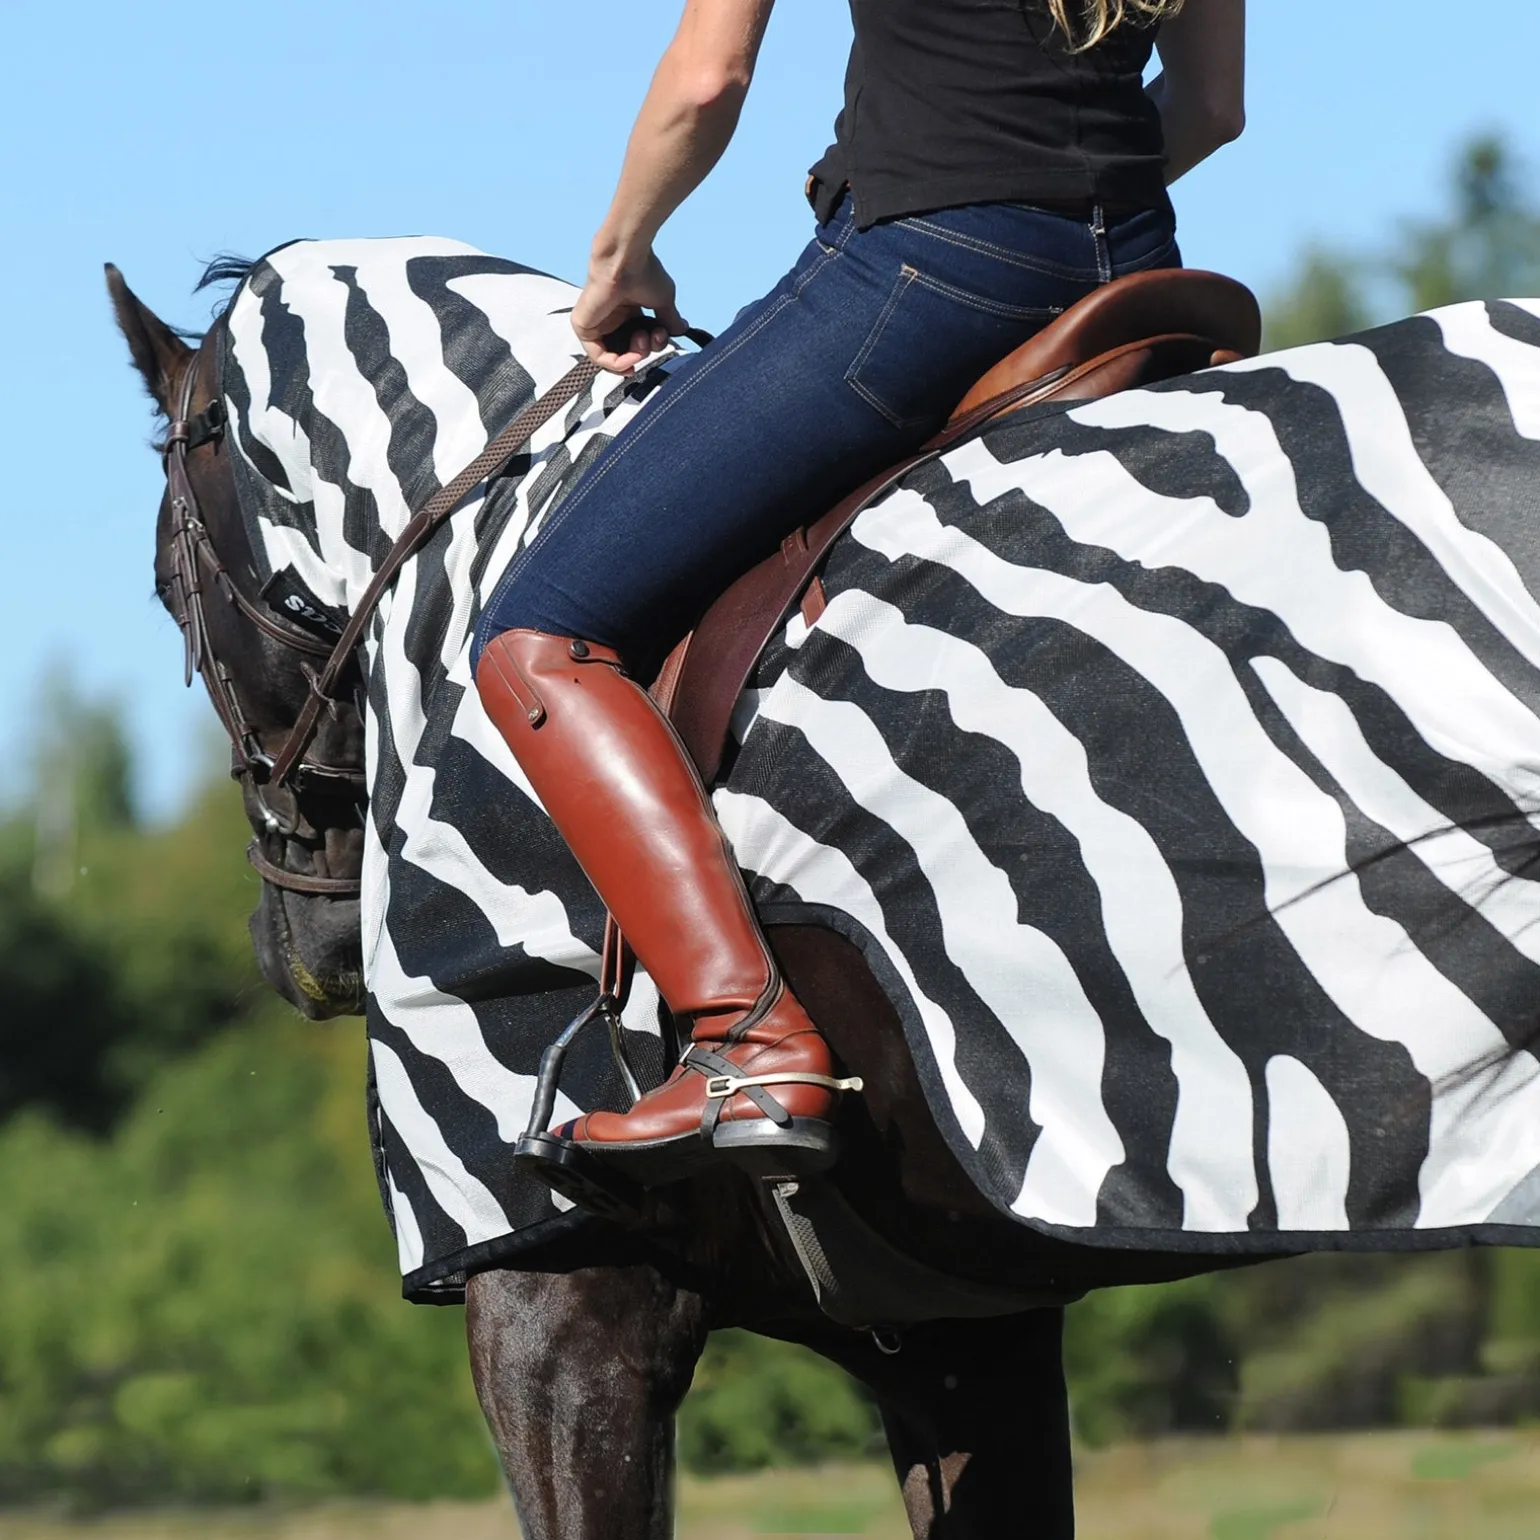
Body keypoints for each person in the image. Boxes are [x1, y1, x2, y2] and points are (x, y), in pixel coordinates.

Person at [473, 0, 1246, 1191]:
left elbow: (706, 79)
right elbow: (1209, 109)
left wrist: (621, 253)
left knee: (537, 636)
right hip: (1138, 269)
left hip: (928, 272)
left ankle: (742, 1039)